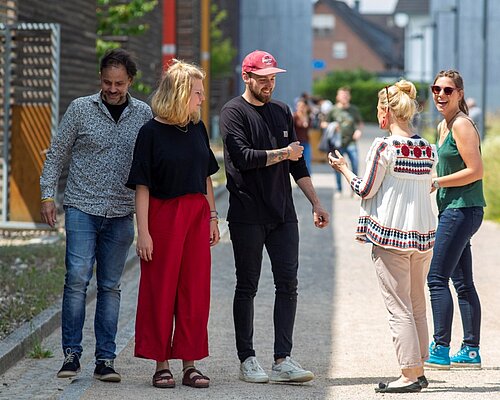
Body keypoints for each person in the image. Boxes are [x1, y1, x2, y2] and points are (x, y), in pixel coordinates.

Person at [40, 48, 153, 382]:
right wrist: (48, 195)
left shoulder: (144, 114)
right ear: (100, 79)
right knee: (76, 279)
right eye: (107, 82)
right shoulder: (80, 109)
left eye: (119, 83)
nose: (113, 89)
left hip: (121, 211)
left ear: (130, 81)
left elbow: (152, 162)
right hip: (81, 207)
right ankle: (71, 355)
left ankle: (105, 359)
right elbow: (57, 153)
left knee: (110, 286)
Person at [219, 49, 329, 384]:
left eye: (273, 78)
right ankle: (247, 358)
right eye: (263, 79)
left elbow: (298, 164)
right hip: (247, 214)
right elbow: (243, 158)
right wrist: (284, 152)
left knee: (288, 284)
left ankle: (283, 358)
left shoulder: (282, 112)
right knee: (247, 286)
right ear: (247, 77)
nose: (269, 84)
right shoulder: (232, 112)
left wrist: (315, 202)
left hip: (284, 214)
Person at [328, 80, 436, 393]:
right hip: (423, 235)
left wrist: (344, 169)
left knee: (398, 307)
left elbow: (365, 189)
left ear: (386, 112)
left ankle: (408, 374)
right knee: (417, 303)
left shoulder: (384, 147)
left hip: (392, 236)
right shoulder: (427, 149)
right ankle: (419, 369)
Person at [126, 60, 220, 389]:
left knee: (194, 292)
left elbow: (207, 176)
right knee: (160, 289)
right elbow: (142, 186)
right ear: (181, 93)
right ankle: (161, 363)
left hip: (196, 214)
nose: (202, 99)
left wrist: (211, 216)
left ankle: (190, 363)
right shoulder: (150, 132)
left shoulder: (197, 128)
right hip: (162, 216)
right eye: (197, 93)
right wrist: (144, 233)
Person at [425, 70, 486, 370]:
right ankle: (471, 350)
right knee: (462, 282)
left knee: (436, 279)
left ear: (460, 94)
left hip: (462, 209)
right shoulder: (442, 126)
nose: (440, 95)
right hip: (454, 209)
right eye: (436, 89)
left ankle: (440, 348)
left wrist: (439, 182)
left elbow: (476, 170)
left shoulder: (461, 125)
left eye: (448, 90)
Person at [324, 87, 364, 197]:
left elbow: (360, 123)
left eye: (346, 95)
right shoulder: (333, 110)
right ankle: (339, 189)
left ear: (349, 97)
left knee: (355, 165)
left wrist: (358, 131)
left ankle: (355, 190)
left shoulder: (354, 110)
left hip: (351, 142)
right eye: (342, 95)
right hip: (338, 144)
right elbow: (323, 124)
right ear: (337, 97)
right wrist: (332, 126)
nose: (344, 97)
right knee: (338, 167)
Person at [293, 99, 312, 172]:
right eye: (299, 106)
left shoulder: (308, 117)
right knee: (297, 164)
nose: (301, 108)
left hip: (306, 142)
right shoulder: (294, 117)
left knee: (307, 163)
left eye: (303, 106)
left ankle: (308, 181)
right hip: (297, 143)